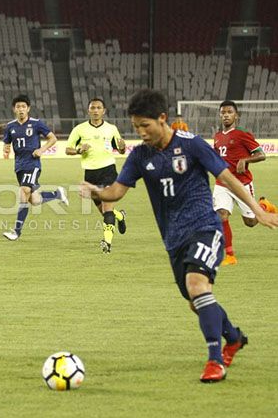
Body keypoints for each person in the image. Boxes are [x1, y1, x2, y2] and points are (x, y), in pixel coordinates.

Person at [80, 89, 278, 383]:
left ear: (162, 118)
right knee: (194, 298)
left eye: (145, 125)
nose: (141, 132)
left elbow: (225, 177)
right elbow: (117, 192)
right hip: (173, 238)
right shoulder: (139, 156)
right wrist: (97, 192)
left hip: (205, 228)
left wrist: (256, 211)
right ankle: (234, 337)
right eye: (136, 127)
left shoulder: (192, 145)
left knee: (196, 285)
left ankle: (215, 361)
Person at [2, 95, 69, 241]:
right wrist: (6, 149)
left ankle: (16, 231)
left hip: (33, 164)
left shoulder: (37, 124)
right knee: (35, 200)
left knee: (24, 191)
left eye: (23, 107)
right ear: (14, 109)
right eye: (18, 107)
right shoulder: (10, 126)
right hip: (19, 166)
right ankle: (56, 194)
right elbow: (7, 142)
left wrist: (42, 149)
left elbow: (53, 138)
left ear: (28, 109)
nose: (21, 109)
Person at [67, 98, 128, 253]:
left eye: (98, 107)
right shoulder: (79, 129)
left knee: (107, 208)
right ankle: (120, 216)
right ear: (88, 110)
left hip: (109, 171)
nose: (95, 110)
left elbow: (120, 148)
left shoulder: (111, 128)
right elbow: (68, 149)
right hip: (90, 174)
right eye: (92, 108)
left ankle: (106, 243)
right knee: (103, 211)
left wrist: (122, 148)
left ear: (104, 110)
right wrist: (80, 150)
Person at [212, 100, 267, 265]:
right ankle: (229, 255)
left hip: (242, 184)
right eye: (223, 112)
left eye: (229, 112)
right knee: (221, 215)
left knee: (250, 222)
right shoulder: (218, 136)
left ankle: (264, 206)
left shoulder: (242, 134)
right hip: (222, 183)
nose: (226, 115)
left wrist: (245, 159)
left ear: (236, 115)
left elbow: (261, 154)